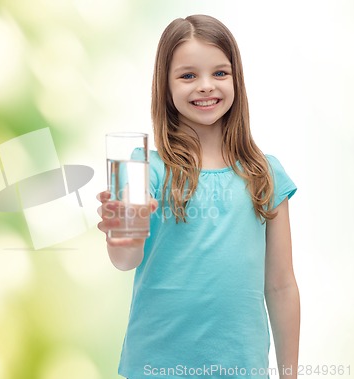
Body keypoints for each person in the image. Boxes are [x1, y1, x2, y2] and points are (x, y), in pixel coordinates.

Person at [97, 14, 300, 379]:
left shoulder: (264, 175)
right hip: (155, 366)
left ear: (237, 78)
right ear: (166, 86)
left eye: (220, 73)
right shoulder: (145, 170)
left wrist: (290, 374)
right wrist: (119, 229)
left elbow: (281, 284)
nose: (206, 86)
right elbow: (126, 259)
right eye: (188, 75)